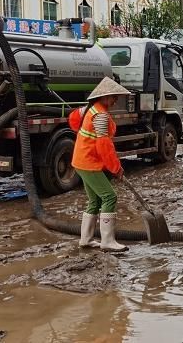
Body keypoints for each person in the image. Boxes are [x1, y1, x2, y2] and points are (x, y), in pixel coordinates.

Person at [70, 77, 132, 253]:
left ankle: (86, 239)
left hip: (80, 160)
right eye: (114, 97)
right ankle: (107, 241)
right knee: (109, 197)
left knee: (94, 200)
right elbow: (104, 145)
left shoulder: (89, 109)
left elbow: (73, 121)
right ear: (105, 97)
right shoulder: (101, 115)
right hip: (88, 162)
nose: (115, 101)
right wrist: (116, 168)